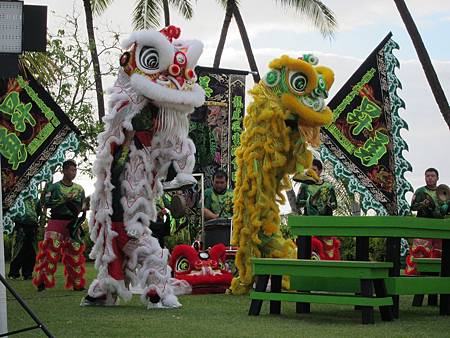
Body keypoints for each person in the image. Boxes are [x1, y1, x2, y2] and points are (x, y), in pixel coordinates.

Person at [32, 159, 86, 291]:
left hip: (72, 223)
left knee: (74, 253)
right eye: (71, 170)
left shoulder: (79, 189)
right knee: (49, 252)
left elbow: (83, 206)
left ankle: (77, 284)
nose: (74, 173)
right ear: (65, 170)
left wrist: (84, 210)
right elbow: (45, 203)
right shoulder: (54, 187)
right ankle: (42, 283)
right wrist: (63, 200)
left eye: (75, 170)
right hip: (56, 221)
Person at [405, 168, 449, 275]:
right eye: (427, 176)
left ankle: (435, 287)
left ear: (437, 178)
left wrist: (446, 207)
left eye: (432, 176)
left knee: (438, 258)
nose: (429, 178)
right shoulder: (420, 191)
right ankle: (419, 288)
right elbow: (413, 208)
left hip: (439, 229)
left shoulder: (444, 191)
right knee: (420, 256)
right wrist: (423, 204)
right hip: (423, 228)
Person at [296, 159, 340, 260]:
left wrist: (325, 203)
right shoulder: (305, 185)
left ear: (320, 171)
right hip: (309, 225)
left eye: (314, 170)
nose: (311, 172)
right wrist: (309, 201)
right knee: (309, 254)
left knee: (328, 254)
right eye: (310, 170)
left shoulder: (328, 187)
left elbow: (334, 205)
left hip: (326, 226)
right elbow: (298, 203)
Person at [8, 196, 41, 280]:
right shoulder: (17, 197)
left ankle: (28, 273)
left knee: (31, 252)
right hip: (21, 226)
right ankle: (14, 273)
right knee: (19, 250)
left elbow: (38, 211)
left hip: (33, 226)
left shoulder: (35, 198)